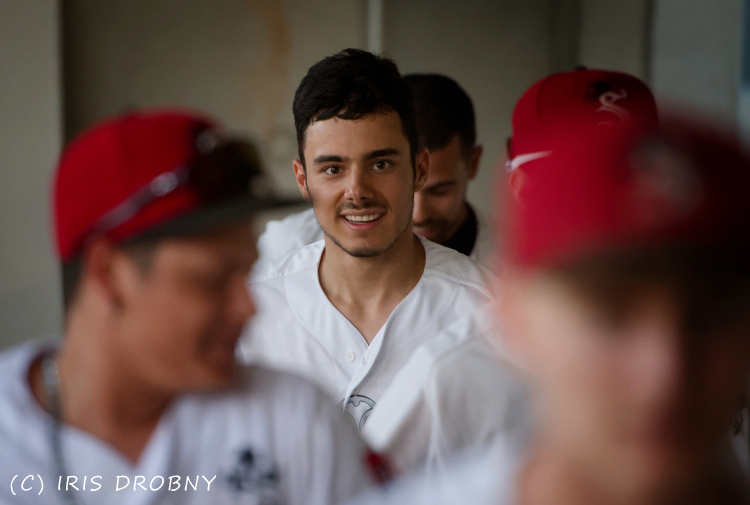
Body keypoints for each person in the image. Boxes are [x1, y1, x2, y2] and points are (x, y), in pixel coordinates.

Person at [347, 114, 750, 504]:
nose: (666, 374)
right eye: (609, 315)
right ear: (513, 316)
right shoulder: (443, 374)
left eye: (711, 314)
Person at [0, 110, 378, 505]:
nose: (248, 308)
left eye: (247, 273)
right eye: (213, 281)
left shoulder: (293, 420)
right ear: (108, 275)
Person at [362, 68, 660, 474]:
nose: (609, 207)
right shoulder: (451, 369)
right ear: (520, 185)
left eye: (636, 178)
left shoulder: (712, 351)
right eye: (579, 182)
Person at [239, 49, 492, 453]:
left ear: (420, 169)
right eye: (332, 169)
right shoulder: (250, 314)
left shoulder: (489, 314)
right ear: (302, 179)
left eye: (380, 165)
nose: (356, 191)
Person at [256, 73, 492, 268]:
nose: (419, 214)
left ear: (473, 163)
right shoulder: (285, 248)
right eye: (334, 168)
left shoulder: (504, 267)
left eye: (440, 191)